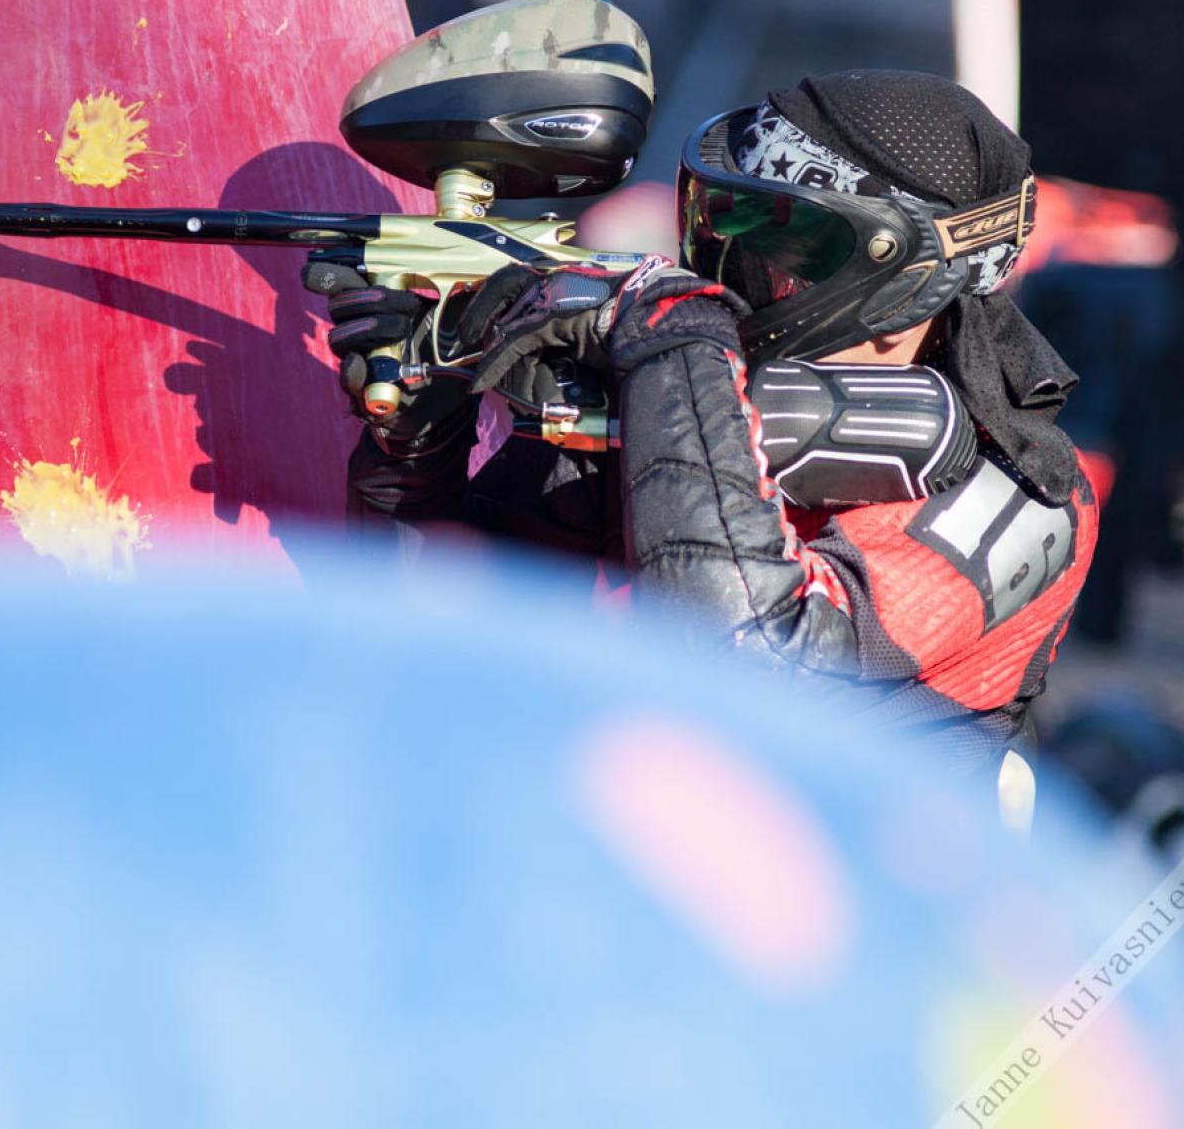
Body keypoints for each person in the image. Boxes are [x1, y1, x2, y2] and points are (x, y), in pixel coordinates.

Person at [306, 70, 1097, 776]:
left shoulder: (1029, 490)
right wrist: (416, 446)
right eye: (724, 229)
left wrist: (675, 334)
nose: (735, 273)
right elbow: (433, 641)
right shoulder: (688, 382)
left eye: (785, 248)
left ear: (901, 285)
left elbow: (755, 664)